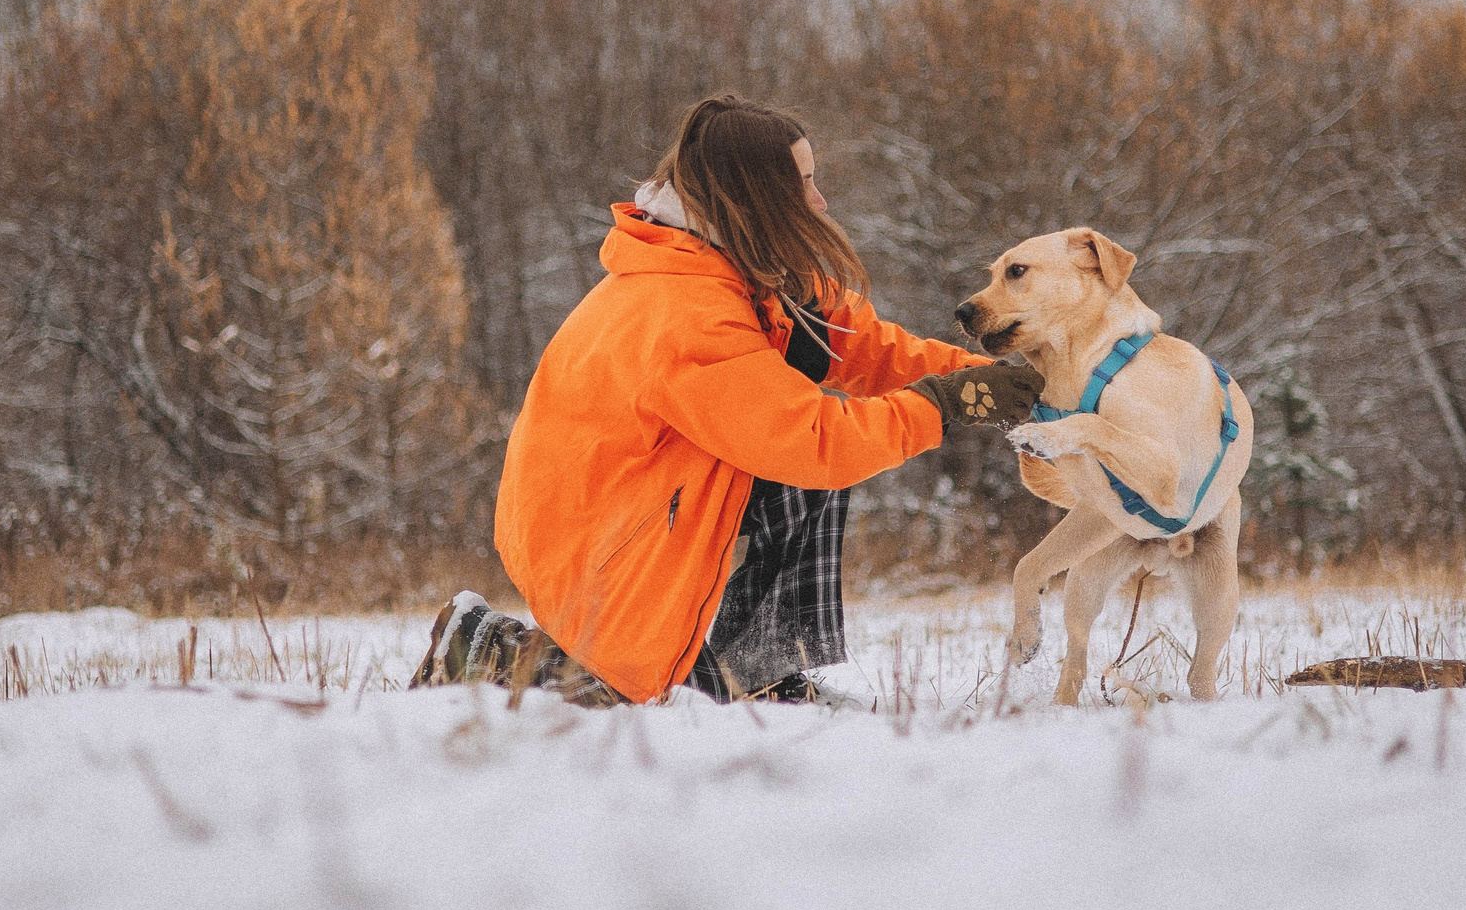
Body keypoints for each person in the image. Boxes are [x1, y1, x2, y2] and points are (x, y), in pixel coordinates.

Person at [411, 94, 1046, 706]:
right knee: (614, 699)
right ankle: (480, 646)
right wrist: (942, 405)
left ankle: (757, 675)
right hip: (598, 539)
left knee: (813, 460)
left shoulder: (744, 271)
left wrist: (984, 379)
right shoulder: (687, 312)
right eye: (801, 183)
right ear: (756, 196)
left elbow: (867, 348)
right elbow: (810, 440)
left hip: (618, 507)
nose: (820, 201)